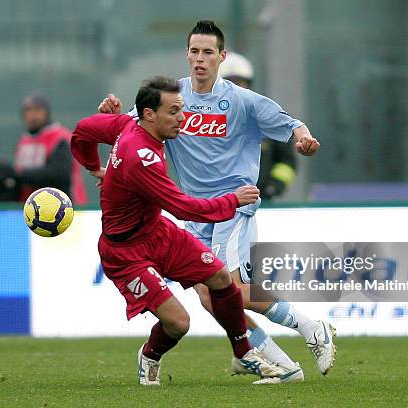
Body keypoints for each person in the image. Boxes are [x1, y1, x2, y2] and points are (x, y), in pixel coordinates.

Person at [97, 20, 335, 377]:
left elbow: (290, 123)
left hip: (233, 207)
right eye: (194, 51)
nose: (200, 59)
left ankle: (310, 329)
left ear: (221, 57)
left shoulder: (241, 100)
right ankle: (281, 365)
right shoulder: (170, 98)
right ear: (187, 54)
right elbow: (131, 130)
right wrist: (111, 118)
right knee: (210, 297)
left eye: (208, 52)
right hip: (193, 213)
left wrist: (304, 138)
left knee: (233, 288)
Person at [71, 76, 301, 386]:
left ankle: (243, 353)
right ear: (149, 115)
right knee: (179, 323)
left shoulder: (128, 126)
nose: (183, 118)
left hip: (158, 233)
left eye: (182, 109)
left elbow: (83, 130)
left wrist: (92, 166)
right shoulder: (142, 158)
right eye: (174, 112)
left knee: (220, 277)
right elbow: (184, 208)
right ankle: (150, 355)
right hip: (126, 252)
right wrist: (233, 200)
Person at [219, 51, 297, 200]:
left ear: (249, 84)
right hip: (219, 202)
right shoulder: (208, 121)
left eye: (240, 82)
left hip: (261, 203)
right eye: (229, 82)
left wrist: (273, 187)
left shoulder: (266, 118)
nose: (236, 87)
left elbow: (287, 161)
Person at [14, 92, 87, 204]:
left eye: (38, 110)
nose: (33, 115)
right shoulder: (24, 140)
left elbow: (59, 173)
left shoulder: (59, 137)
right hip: (32, 208)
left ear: (47, 113)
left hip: (63, 207)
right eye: (28, 111)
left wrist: (19, 175)